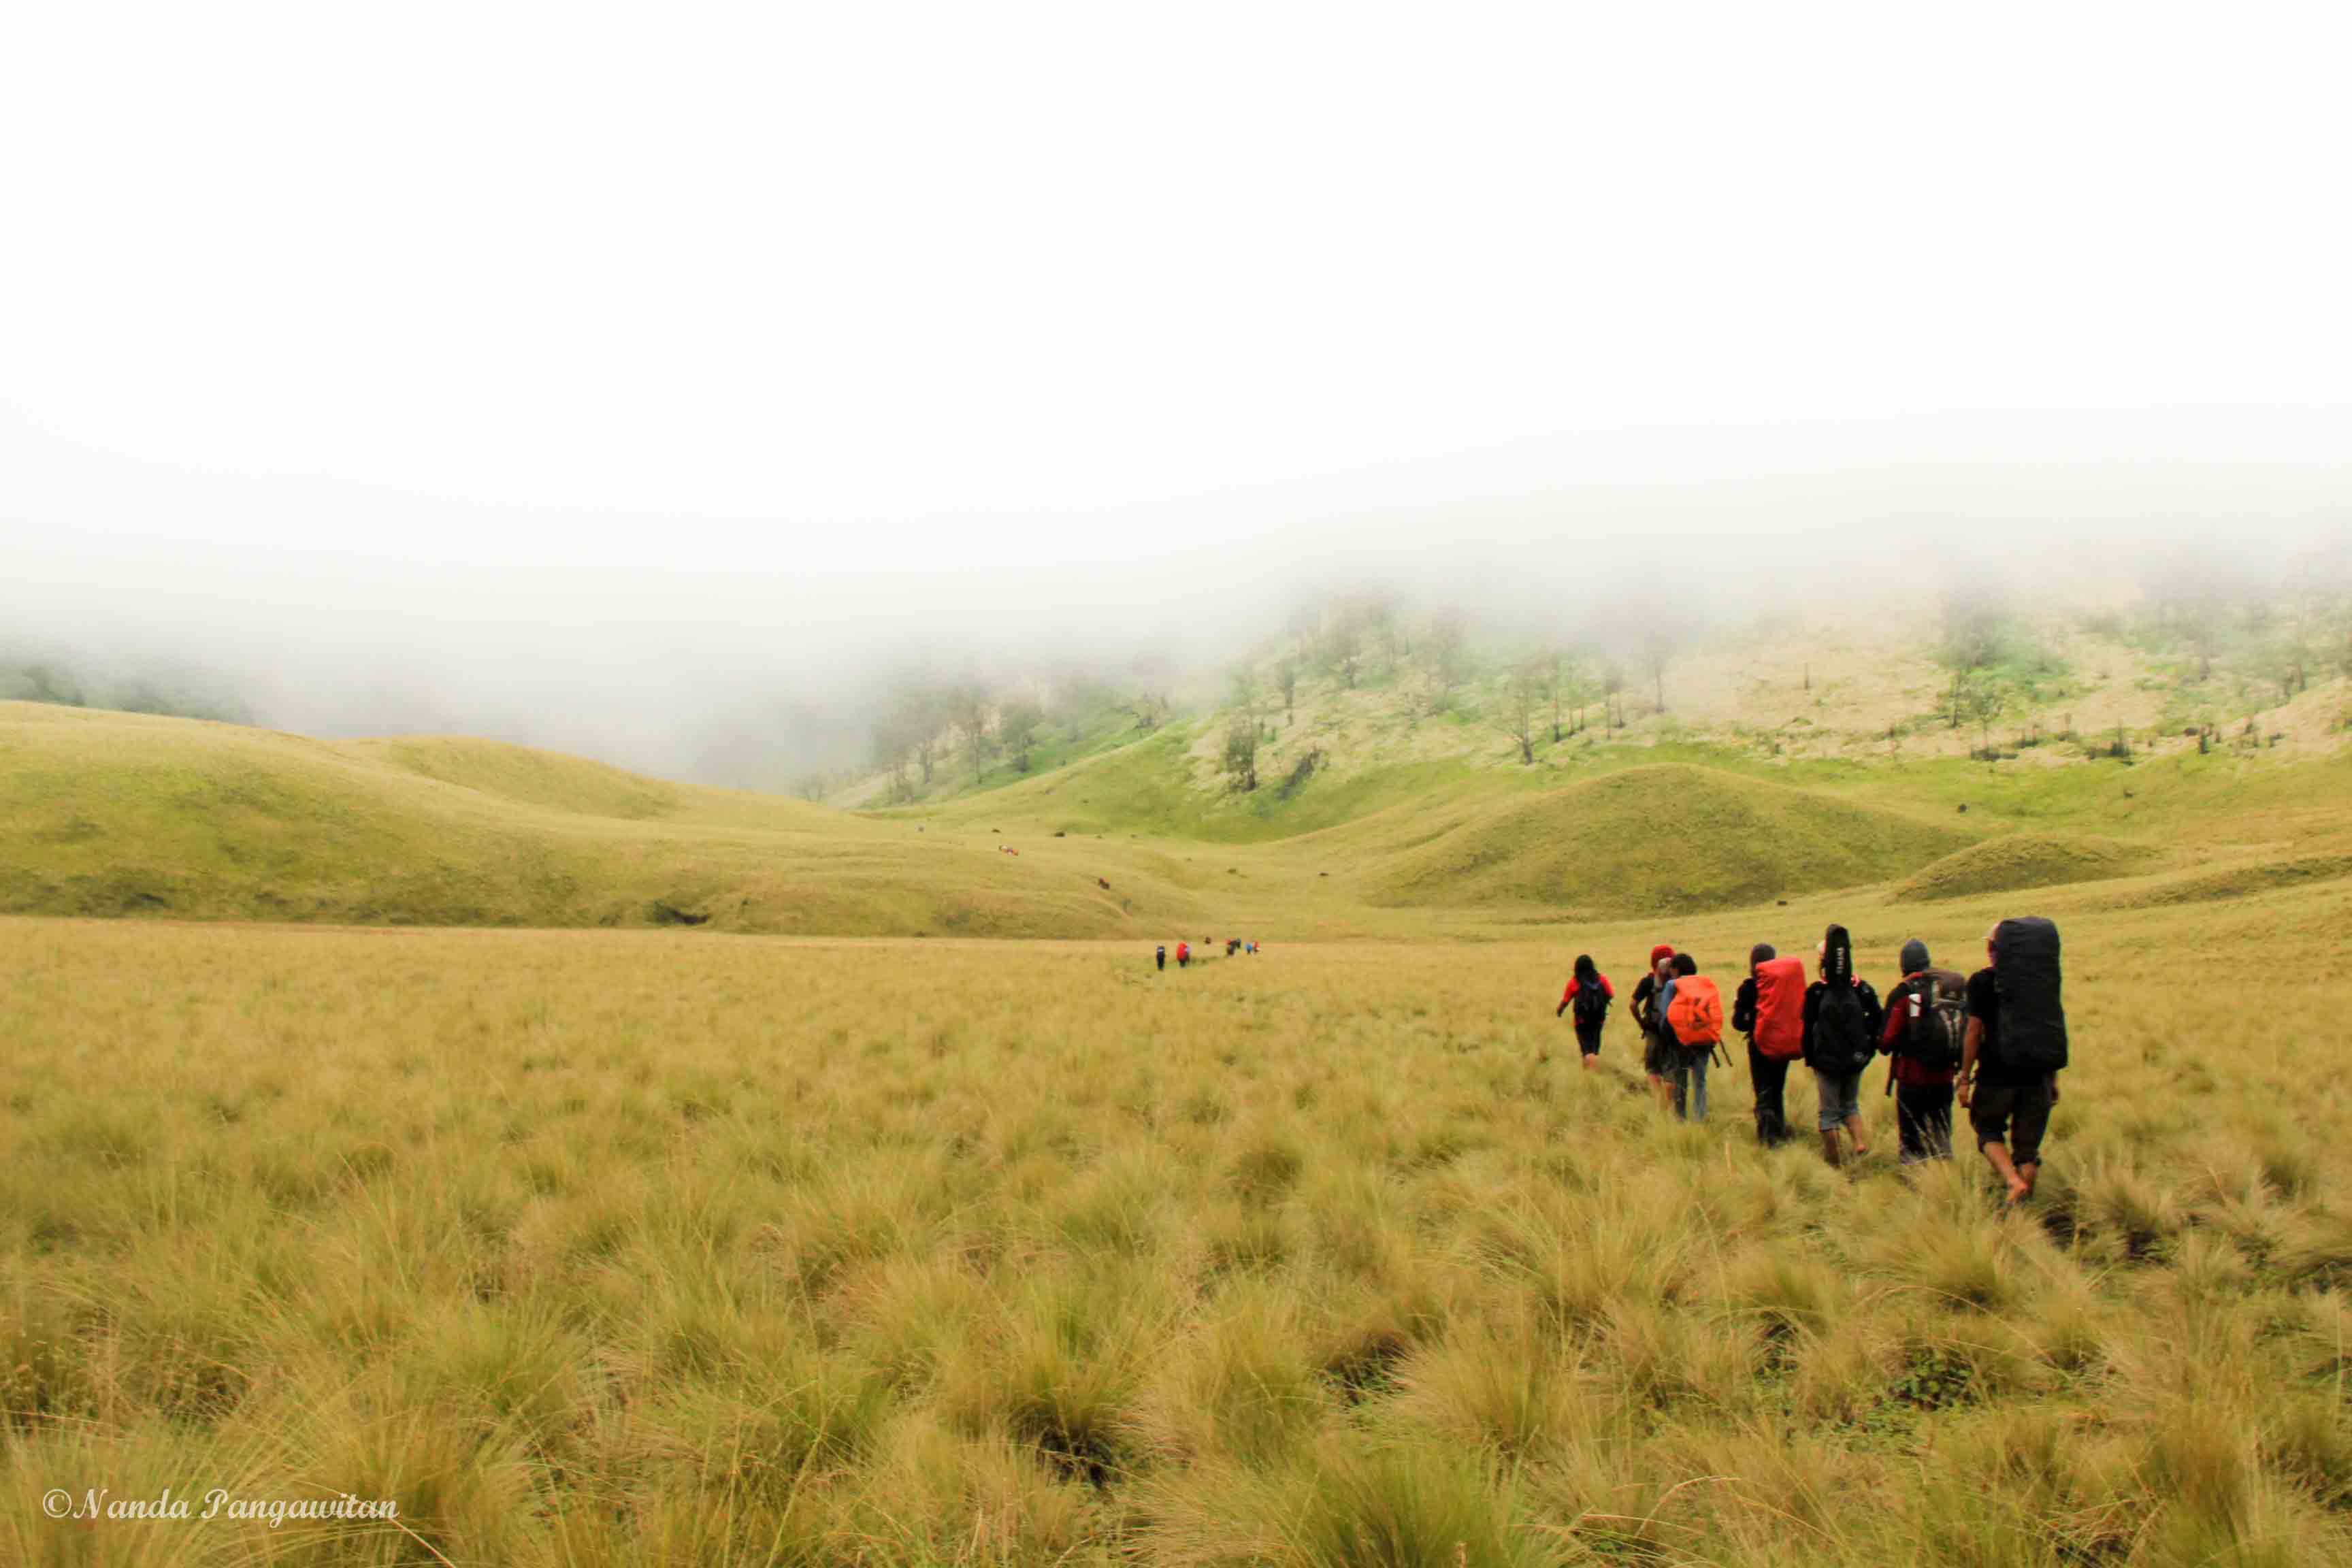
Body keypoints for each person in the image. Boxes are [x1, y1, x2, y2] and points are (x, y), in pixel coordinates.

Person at [1961, 918, 2068, 1205]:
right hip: (2038, 1077)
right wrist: (2053, 1079)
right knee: (2028, 1150)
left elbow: (1973, 1032)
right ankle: (2022, 1209)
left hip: (1997, 1075)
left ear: (1995, 950)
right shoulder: (2040, 986)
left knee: (1988, 1130)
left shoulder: (1982, 982)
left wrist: (1963, 1079)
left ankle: (2012, 1181)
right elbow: (2051, 1028)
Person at [1801, 924, 1882, 1166]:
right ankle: (1859, 1142)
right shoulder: (1861, 989)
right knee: (1850, 1104)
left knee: (1828, 1114)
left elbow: (1806, 1027)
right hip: (1855, 1058)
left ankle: (1835, 1164)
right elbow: (1878, 1016)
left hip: (1825, 1060)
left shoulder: (1816, 992)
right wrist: (1867, 1049)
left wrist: (1810, 1057)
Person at [1880, 938, 1963, 1164]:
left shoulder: (1901, 994)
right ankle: (1947, 1181)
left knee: (1911, 1139)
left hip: (1912, 1079)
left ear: (1903, 965)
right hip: (1944, 1077)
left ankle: (1916, 1185)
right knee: (1941, 1135)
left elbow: (1886, 1042)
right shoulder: (1946, 989)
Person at [1733, 943, 1805, 1146]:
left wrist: (1751, 1019)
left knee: (1762, 1091)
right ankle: (1780, 1129)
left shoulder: (1748, 988)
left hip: (1758, 1047)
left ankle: (1767, 1137)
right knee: (1777, 1089)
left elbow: (1738, 1023)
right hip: (1782, 1045)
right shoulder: (1784, 984)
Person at [1660, 952, 1722, 1122]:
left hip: (1680, 1041)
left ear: (1676, 969)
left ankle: (1681, 1119)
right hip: (1704, 1038)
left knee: (1681, 1080)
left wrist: (1665, 1041)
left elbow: (1665, 1015)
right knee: (1700, 1081)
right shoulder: (1704, 983)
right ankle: (1699, 1119)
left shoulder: (1673, 985)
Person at [1629, 944, 1680, 1113]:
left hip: (1653, 1029)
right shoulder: (1677, 981)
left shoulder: (1648, 981)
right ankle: (1671, 1106)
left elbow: (1633, 1004)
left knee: (1652, 1068)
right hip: (1673, 1030)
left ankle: (1658, 1104)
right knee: (1670, 1069)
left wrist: (1641, 1023)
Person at [1555, 953, 1614, 1069]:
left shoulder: (1574, 982)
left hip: (1581, 1021)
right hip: (1599, 1019)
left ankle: (1591, 1075)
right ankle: (1588, 1074)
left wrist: (1559, 1011)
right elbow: (1611, 994)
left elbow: (1566, 1001)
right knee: (1593, 1049)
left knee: (1586, 1050)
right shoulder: (1601, 979)